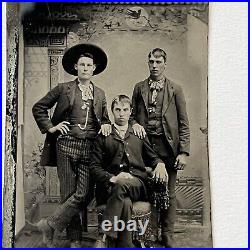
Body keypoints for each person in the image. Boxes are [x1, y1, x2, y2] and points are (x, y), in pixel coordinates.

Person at [32, 43, 111, 248]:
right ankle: (74, 239)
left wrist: (106, 126)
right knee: (68, 193)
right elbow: (39, 107)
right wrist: (51, 127)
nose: (85, 68)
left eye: (89, 65)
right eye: (82, 65)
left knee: (83, 193)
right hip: (65, 146)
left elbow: (105, 119)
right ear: (76, 67)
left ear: (94, 68)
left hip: (90, 149)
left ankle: (49, 225)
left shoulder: (100, 93)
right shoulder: (63, 88)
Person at [130, 48, 190, 247]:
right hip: (145, 148)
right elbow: (131, 116)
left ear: (165, 63)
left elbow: (183, 122)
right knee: (149, 192)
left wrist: (183, 152)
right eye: (151, 62)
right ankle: (148, 233)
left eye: (158, 62)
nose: (154, 65)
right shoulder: (139, 88)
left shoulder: (176, 89)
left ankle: (168, 234)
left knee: (169, 193)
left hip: (168, 149)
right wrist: (134, 124)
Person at [90, 95, 168, 248]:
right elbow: (94, 167)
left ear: (130, 111)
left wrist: (160, 164)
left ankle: (104, 234)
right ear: (112, 112)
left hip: (137, 185)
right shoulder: (104, 135)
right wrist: (112, 178)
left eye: (125, 110)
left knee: (123, 184)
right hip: (111, 187)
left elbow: (153, 157)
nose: (121, 113)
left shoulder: (138, 134)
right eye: (117, 109)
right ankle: (126, 245)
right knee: (124, 201)